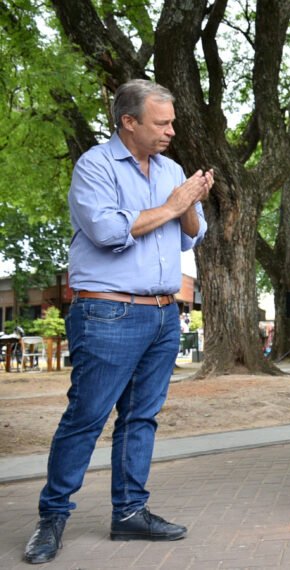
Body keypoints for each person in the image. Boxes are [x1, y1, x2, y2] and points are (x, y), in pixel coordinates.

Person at [23, 79, 212, 565]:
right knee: (85, 419)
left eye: (172, 121)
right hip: (108, 312)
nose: (172, 130)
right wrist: (173, 204)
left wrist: (189, 201)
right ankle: (52, 517)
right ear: (129, 121)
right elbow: (108, 231)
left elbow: (192, 236)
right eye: (161, 122)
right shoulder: (96, 165)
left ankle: (129, 512)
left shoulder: (170, 168)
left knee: (141, 420)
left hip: (164, 315)